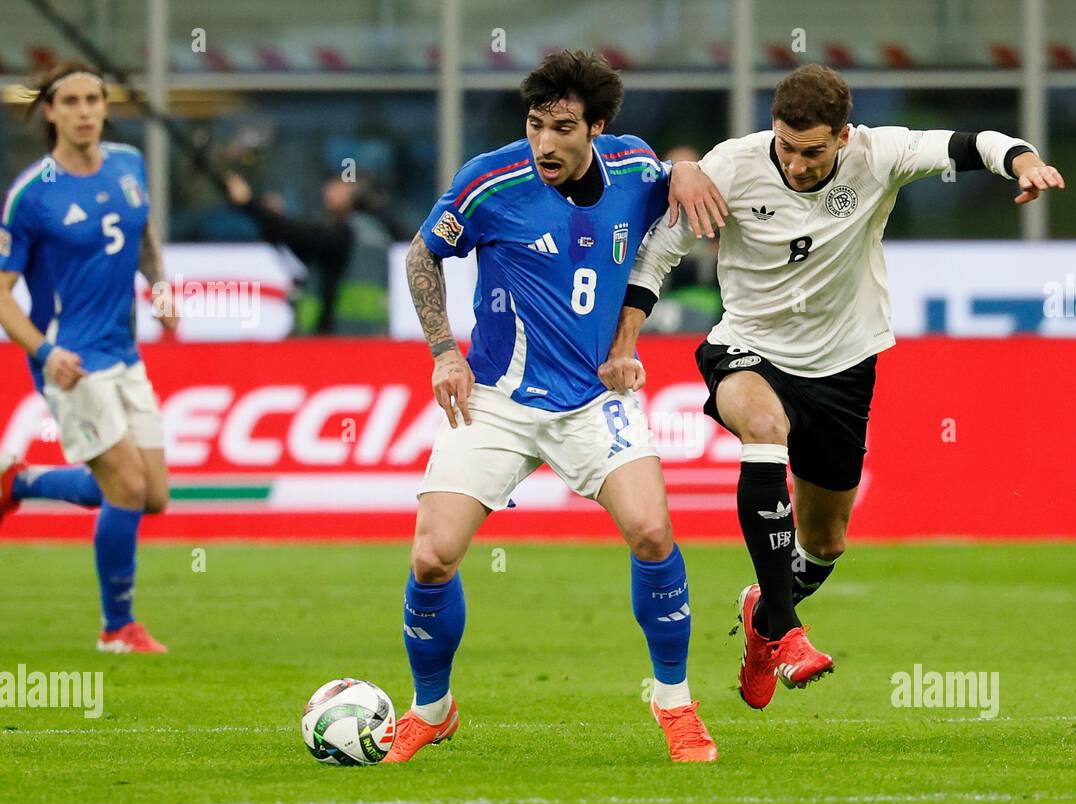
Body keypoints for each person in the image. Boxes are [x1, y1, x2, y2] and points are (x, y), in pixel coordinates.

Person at [613, 64, 1066, 709]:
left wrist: (1022, 161)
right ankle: (788, 631)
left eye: (814, 152)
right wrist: (628, 339)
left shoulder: (879, 155)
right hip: (749, 345)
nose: (797, 165)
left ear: (844, 138)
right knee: (763, 429)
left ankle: (764, 617)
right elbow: (660, 251)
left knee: (823, 545)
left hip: (843, 366)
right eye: (788, 148)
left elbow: (969, 143)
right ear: (773, 129)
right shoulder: (732, 166)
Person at [384, 50, 726, 764]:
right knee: (432, 556)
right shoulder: (491, 179)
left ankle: (676, 705)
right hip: (498, 398)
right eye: (536, 125)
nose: (545, 143)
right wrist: (444, 349)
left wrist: (690, 168)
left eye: (563, 127)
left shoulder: (634, 168)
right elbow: (423, 256)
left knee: (654, 532)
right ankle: (431, 709)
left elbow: (675, 202)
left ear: (596, 126)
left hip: (591, 396)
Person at [0, 61, 178, 653]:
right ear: (49, 111)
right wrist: (45, 351)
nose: (84, 111)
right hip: (71, 362)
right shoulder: (32, 196)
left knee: (152, 495)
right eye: (70, 101)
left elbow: (142, 231)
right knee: (125, 486)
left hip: (124, 353)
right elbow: (1, 296)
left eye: (93, 99)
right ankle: (116, 628)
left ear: (104, 106)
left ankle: (22, 481)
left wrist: (159, 284)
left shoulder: (129, 164)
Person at [224, 172, 393, 334]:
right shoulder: (375, 234)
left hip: (332, 342)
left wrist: (249, 204)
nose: (328, 188)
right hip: (369, 342)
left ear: (356, 192)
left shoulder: (341, 234)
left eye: (340, 184)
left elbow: (296, 235)